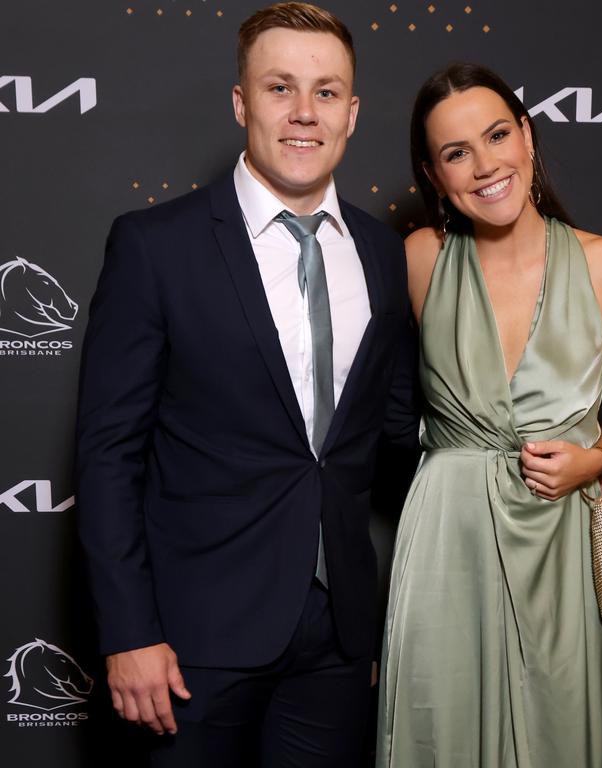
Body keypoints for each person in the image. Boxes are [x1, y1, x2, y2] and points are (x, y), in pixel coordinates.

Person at [75, 4, 419, 766]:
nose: (304, 113)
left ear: (353, 114)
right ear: (241, 103)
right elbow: (108, 457)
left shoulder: (383, 252)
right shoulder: (155, 246)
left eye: (326, 93)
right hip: (192, 638)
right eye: (279, 88)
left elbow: (398, 428)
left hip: (337, 640)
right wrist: (130, 632)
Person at [376, 63, 602, 767]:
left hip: (562, 539)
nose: (485, 164)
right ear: (433, 175)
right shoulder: (418, 261)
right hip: (447, 538)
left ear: (528, 138)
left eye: (497, 134)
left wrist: (594, 459)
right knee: (440, 736)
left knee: (562, 736)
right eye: (456, 152)